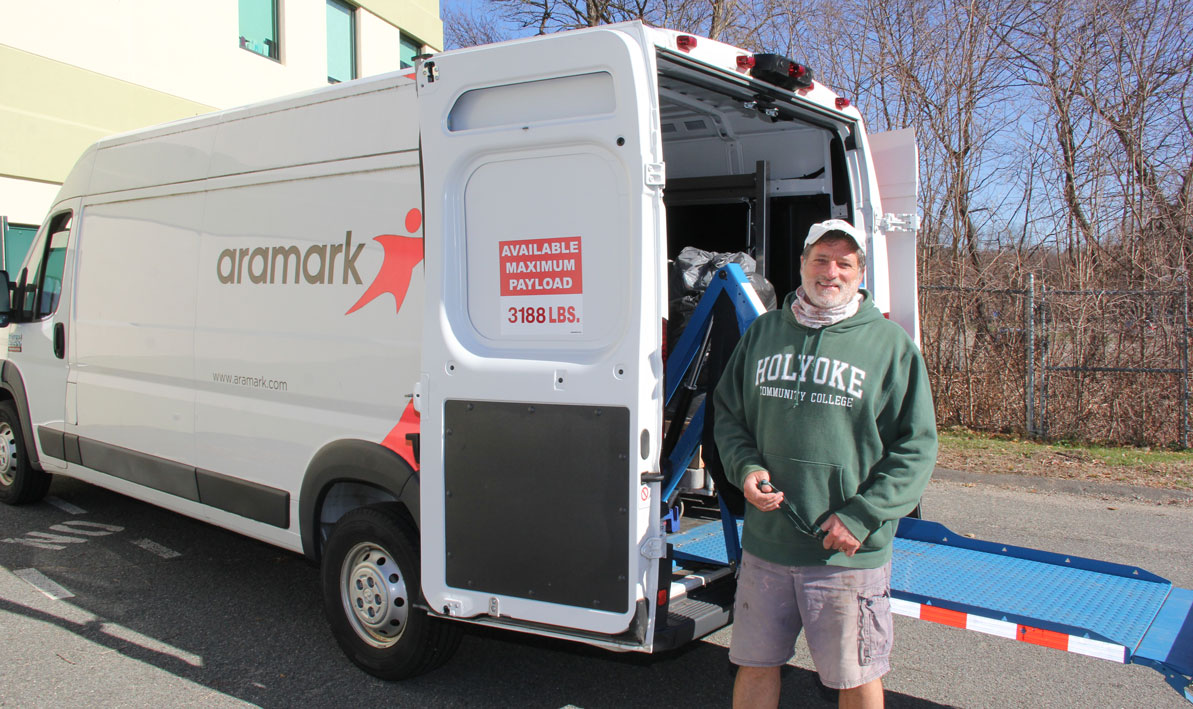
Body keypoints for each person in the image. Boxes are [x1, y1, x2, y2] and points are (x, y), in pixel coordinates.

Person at [713, 219, 937, 709]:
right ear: (802, 265)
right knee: (754, 664)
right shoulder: (765, 333)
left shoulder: (889, 346)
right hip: (767, 546)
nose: (830, 272)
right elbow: (728, 415)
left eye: (844, 263)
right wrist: (745, 467)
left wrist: (860, 516)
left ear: (859, 272)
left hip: (845, 554)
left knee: (855, 678)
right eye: (820, 259)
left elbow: (916, 447)